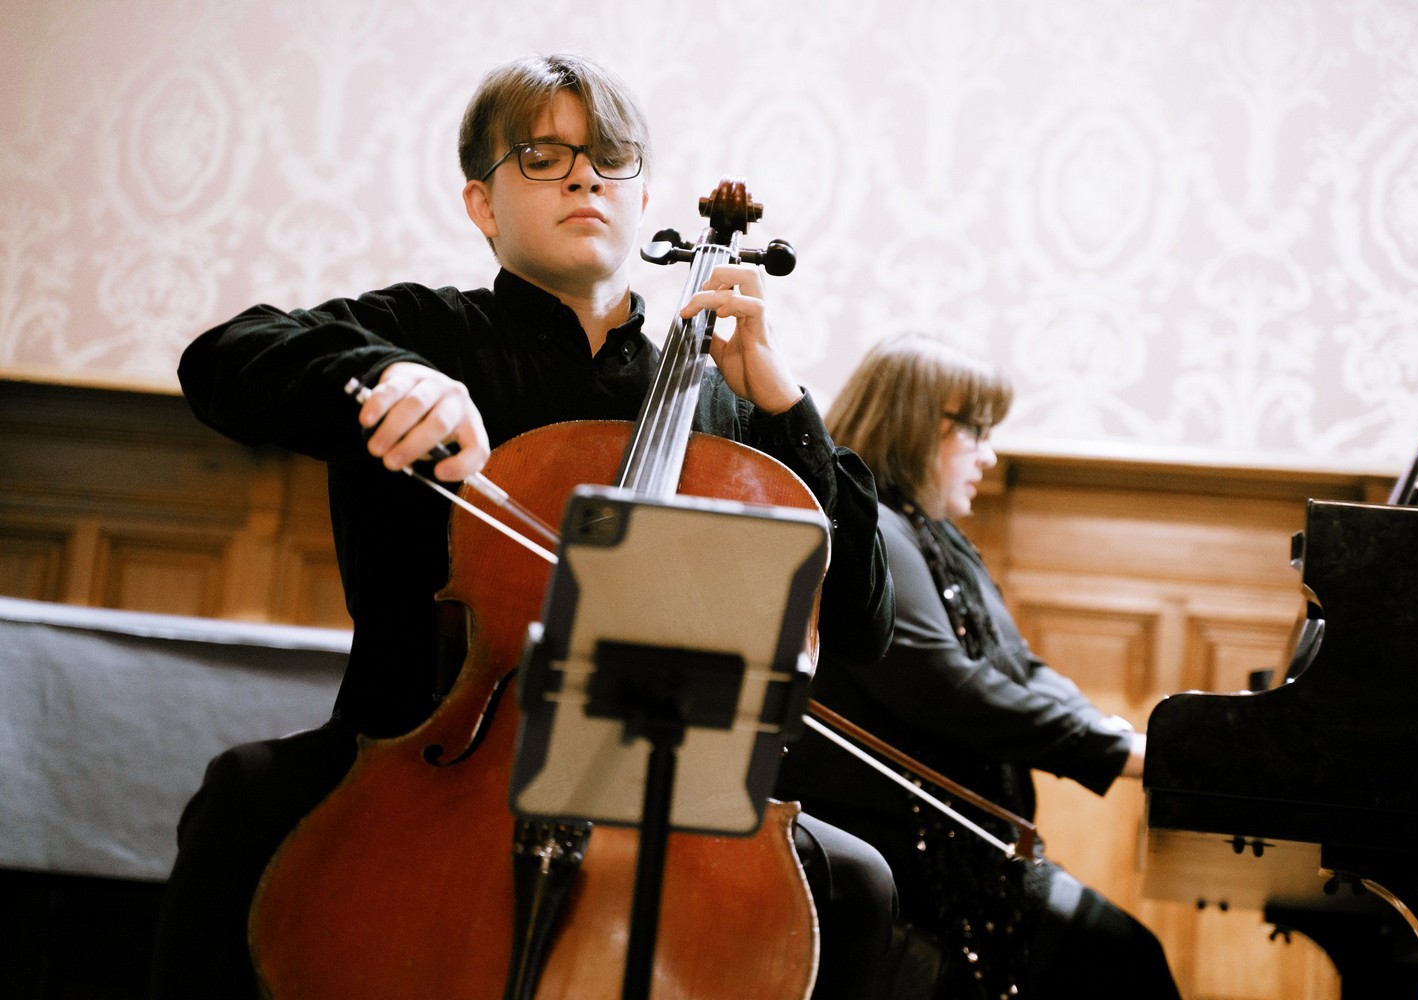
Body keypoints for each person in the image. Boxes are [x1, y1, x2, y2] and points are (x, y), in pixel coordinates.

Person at [151, 52, 896, 1000]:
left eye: (609, 158)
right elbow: (224, 358)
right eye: (543, 158)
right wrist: (380, 377)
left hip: (654, 794)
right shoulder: (427, 334)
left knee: (860, 882)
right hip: (419, 760)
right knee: (241, 800)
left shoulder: (723, 407)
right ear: (483, 205)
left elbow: (863, 621)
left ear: (641, 197)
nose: (585, 178)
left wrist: (788, 409)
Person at [775, 332, 1180, 999]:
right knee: (1121, 958)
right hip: (901, 850)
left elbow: (1018, 664)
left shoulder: (935, 536)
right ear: (914, 423)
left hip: (967, 847)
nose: (989, 455)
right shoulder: (874, 535)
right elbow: (950, 691)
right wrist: (1113, 751)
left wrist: (1109, 731)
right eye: (976, 431)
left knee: (1122, 957)